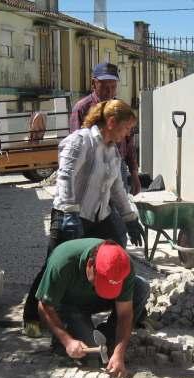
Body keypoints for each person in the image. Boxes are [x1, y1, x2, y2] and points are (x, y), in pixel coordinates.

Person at [22, 99, 146, 337]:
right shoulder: (80, 141)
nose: (128, 133)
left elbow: (118, 188)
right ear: (111, 122)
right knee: (53, 266)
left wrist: (129, 217)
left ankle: (130, 313)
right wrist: (70, 213)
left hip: (99, 216)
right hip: (69, 215)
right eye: (126, 128)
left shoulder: (112, 151)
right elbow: (66, 177)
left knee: (115, 260)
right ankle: (32, 316)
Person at [36, 238, 149, 378]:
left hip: (96, 301)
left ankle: (107, 339)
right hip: (70, 306)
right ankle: (64, 340)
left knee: (141, 287)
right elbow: (44, 307)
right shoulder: (62, 263)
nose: (103, 289)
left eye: (111, 286)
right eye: (101, 283)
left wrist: (119, 352)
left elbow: (125, 314)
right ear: (90, 265)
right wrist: (68, 340)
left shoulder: (122, 265)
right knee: (87, 355)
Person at [70, 62, 141, 195]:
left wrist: (134, 173)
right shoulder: (81, 108)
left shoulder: (120, 108)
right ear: (93, 84)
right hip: (92, 171)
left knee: (121, 210)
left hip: (118, 168)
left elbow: (129, 143)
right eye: (104, 87)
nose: (109, 91)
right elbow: (76, 148)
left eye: (113, 87)